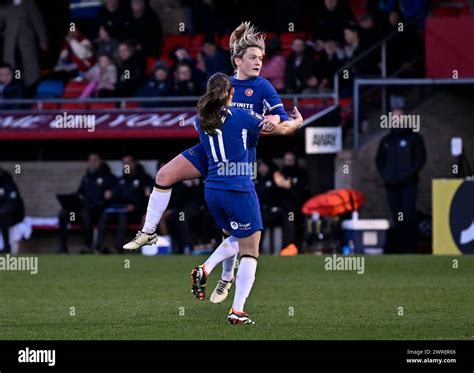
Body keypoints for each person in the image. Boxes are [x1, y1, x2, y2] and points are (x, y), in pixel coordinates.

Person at [123, 21, 303, 301]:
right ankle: (148, 231)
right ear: (238, 60)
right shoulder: (224, 84)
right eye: (253, 57)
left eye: (261, 58)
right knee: (163, 176)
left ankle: (225, 278)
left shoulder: (263, 87)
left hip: (239, 159)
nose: (258, 63)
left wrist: (273, 120)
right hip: (209, 150)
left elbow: (277, 115)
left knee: (230, 230)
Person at [190, 72, 265, 324]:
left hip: (212, 189)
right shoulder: (242, 116)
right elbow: (274, 127)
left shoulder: (199, 120)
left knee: (237, 236)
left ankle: (208, 269)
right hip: (238, 187)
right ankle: (237, 310)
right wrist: (295, 122)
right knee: (250, 248)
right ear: (231, 93)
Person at [375, 109, 427, 253]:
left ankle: (412, 248)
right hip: (391, 185)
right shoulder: (386, 140)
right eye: (393, 118)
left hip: (408, 185)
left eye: (398, 117)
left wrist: (408, 175)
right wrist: (385, 175)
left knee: (408, 214)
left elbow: (420, 158)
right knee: (397, 215)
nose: (396, 120)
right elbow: (379, 160)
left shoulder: (414, 138)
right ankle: (401, 248)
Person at [58, 153, 116, 254]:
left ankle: (87, 246)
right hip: (82, 210)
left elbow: (115, 194)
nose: (92, 162)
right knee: (63, 213)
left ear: (101, 162)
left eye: (95, 160)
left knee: (85, 213)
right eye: (90, 160)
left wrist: (110, 194)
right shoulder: (86, 177)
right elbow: (80, 193)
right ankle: (63, 247)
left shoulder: (109, 177)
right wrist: (74, 198)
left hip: (98, 212)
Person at [96, 154, 153, 253]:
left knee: (123, 216)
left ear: (135, 163)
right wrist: (109, 195)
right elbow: (114, 197)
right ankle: (99, 247)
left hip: (136, 212)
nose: (126, 165)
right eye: (124, 163)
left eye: (129, 162)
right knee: (105, 215)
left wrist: (135, 206)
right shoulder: (120, 180)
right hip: (119, 210)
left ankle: (119, 247)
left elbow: (147, 200)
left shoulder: (144, 179)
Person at [0, 0, 48, 88]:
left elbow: (37, 21)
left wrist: (43, 39)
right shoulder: (6, 6)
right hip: (11, 43)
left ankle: (29, 86)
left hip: (26, 42)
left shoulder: (29, 4)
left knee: (28, 66)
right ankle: (14, 84)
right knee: (13, 65)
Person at [0, 167, 24, 253]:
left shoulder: (8, 184)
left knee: (2, 218)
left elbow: (12, 204)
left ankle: (6, 247)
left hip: (14, 215)